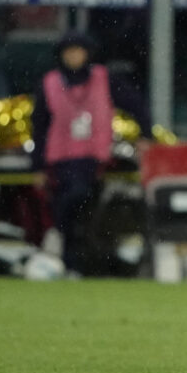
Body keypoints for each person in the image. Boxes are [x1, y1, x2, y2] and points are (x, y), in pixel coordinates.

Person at [31, 33, 151, 277]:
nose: (73, 56)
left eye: (78, 51)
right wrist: (37, 167)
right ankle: (68, 260)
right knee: (70, 207)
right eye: (69, 51)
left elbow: (137, 104)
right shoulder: (50, 82)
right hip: (61, 160)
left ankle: (73, 258)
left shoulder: (104, 79)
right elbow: (40, 126)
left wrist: (145, 134)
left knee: (81, 208)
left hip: (94, 160)